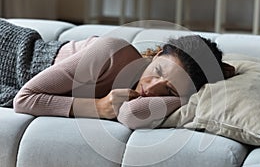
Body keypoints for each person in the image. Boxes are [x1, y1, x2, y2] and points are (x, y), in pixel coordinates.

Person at [1, 20, 235, 128]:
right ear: (155, 56)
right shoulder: (114, 51)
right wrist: (99, 106)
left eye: (169, 90)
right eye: (157, 71)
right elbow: (24, 99)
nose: (152, 88)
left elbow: (132, 114)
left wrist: (186, 95)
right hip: (13, 52)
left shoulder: (139, 98)